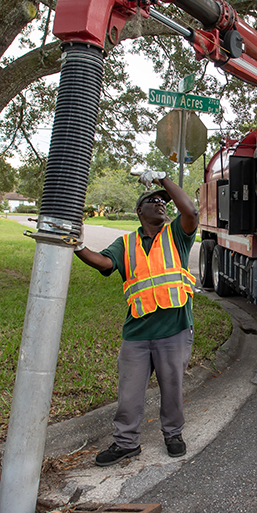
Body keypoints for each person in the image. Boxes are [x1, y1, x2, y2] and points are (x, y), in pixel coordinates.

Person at [73, 172, 199, 467]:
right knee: (129, 393)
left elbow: (191, 212)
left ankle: (173, 435)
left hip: (174, 330)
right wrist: (78, 247)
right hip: (137, 334)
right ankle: (126, 442)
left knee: (172, 388)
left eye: (162, 201)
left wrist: (163, 180)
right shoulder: (126, 243)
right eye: (152, 200)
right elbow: (104, 262)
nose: (160, 203)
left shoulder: (176, 235)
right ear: (139, 210)